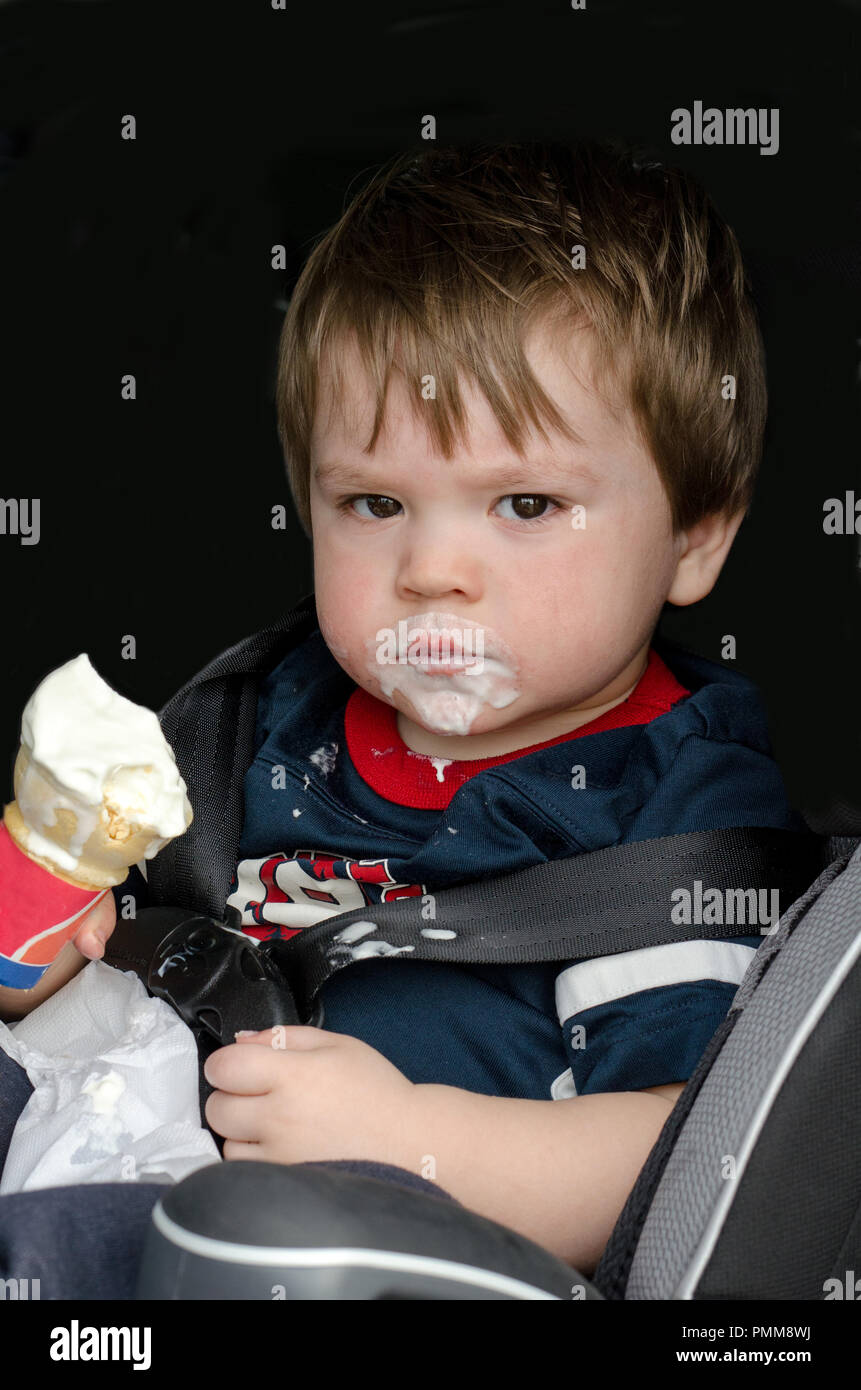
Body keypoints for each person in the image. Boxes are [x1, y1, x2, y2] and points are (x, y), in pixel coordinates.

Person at [0, 139, 806, 1284]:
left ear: (694, 534)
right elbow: (82, 962)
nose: (432, 567)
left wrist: (413, 1138)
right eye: (375, 502)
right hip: (111, 1116)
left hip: (388, 1235)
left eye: (525, 503)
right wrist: (38, 912)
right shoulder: (260, 718)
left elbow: (691, 1164)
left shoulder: (672, 805)